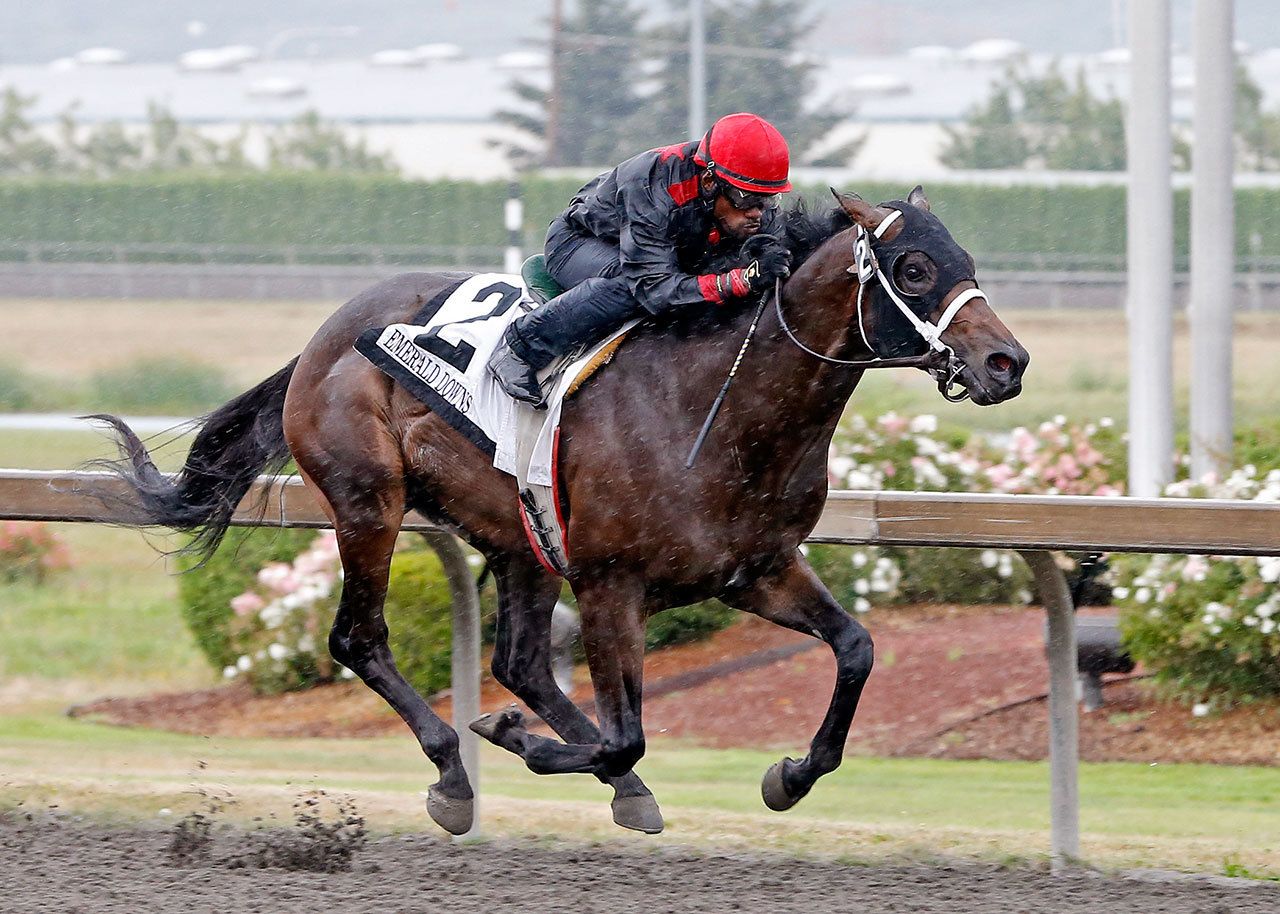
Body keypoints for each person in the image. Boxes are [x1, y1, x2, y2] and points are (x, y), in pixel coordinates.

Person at [488, 111, 795, 406]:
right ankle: (522, 346)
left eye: (768, 199)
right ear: (711, 182)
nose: (757, 212)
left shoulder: (744, 197)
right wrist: (739, 280)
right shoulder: (653, 183)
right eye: (746, 198)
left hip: (664, 249)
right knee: (631, 289)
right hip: (579, 243)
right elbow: (654, 289)